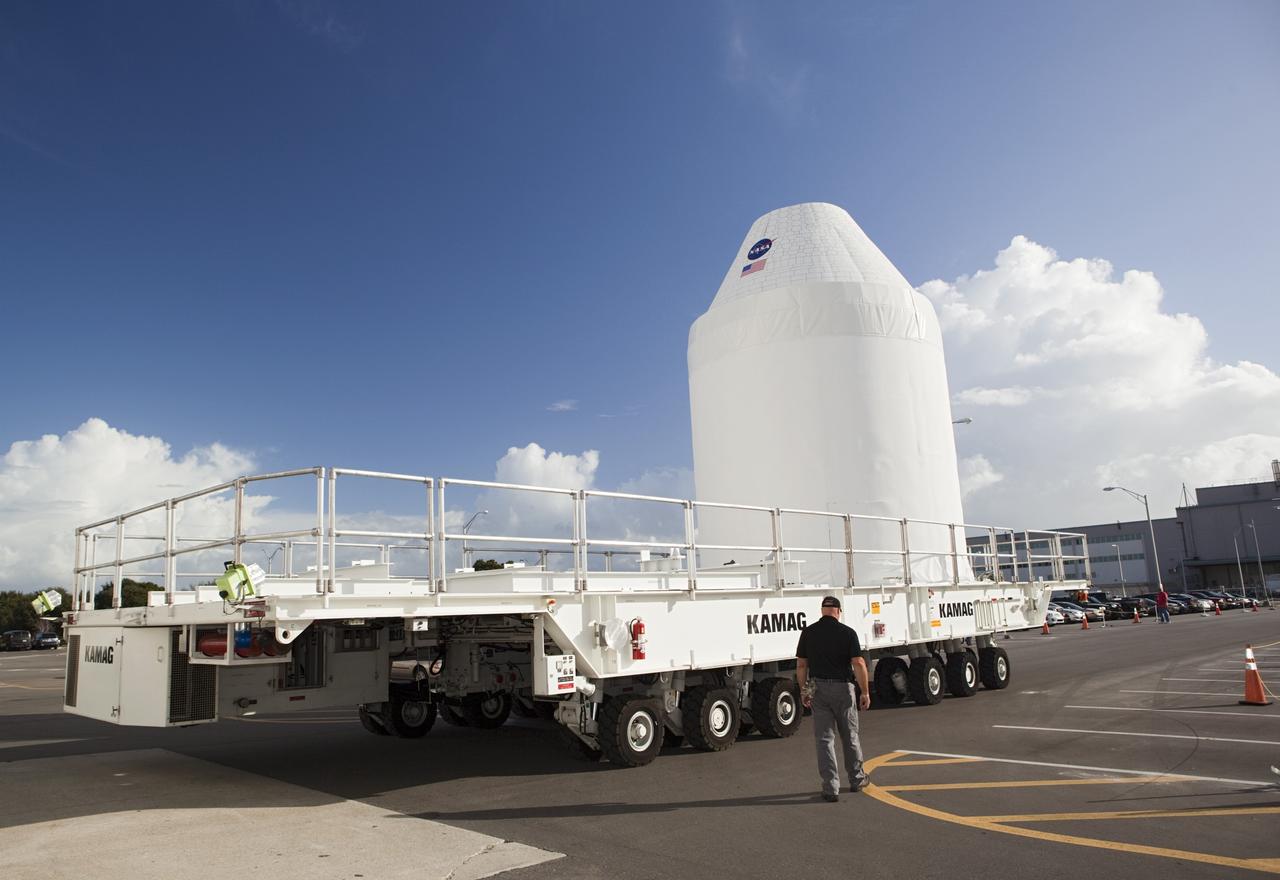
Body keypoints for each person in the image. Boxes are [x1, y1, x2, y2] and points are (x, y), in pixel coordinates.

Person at [795, 595, 870, 802]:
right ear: (838, 610)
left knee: (824, 740)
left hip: (818, 689)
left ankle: (830, 788)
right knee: (850, 736)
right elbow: (859, 663)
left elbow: (802, 666)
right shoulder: (847, 633)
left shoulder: (808, 633)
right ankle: (856, 779)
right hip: (843, 689)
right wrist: (864, 691)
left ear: (822, 611)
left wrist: (804, 691)